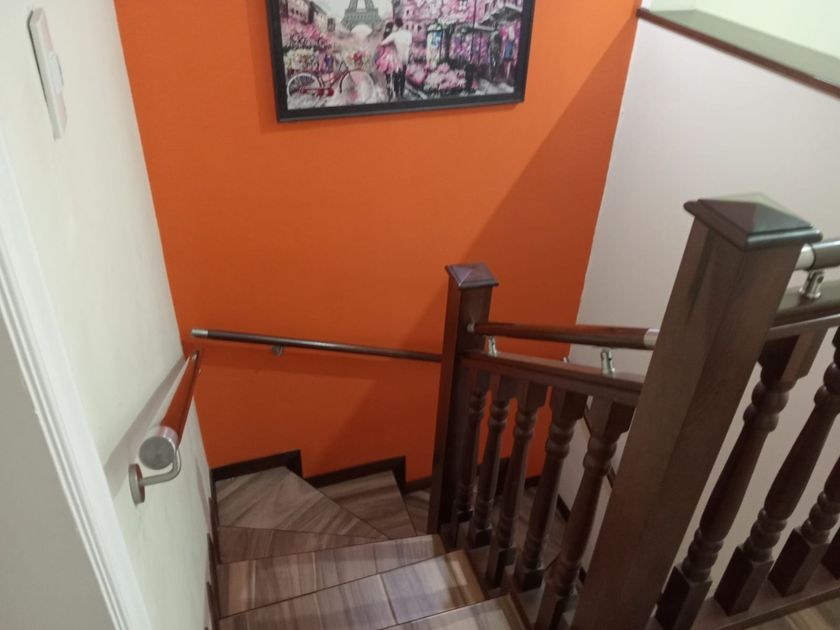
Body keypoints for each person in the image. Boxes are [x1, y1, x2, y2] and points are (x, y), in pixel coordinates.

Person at [379, 17, 412, 99]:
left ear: (396, 25)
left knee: (396, 76)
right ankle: (402, 93)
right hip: (405, 58)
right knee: (403, 75)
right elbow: (409, 43)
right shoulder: (409, 34)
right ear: (402, 23)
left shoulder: (394, 35)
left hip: (397, 59)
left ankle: (397, 94)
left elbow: (382, 43)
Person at [375, 21, 400, 100]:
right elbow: (395, 48)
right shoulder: (393, 37)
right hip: (391, 58)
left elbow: (380, 48)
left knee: (388, 77)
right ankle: (392, 91)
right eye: (394, 27)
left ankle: (390, 91)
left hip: (385, 57)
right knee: (393, 75)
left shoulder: (386, 36)